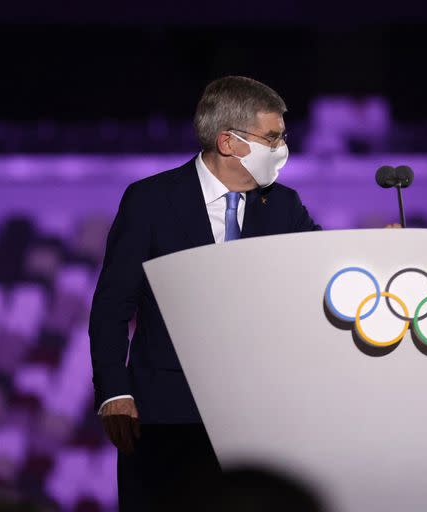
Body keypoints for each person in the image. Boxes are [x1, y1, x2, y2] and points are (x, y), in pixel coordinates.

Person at [88, 76, 321, 510]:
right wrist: (114, 392)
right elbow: (112, 305)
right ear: (229, 142)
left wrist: (375, 249)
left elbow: (323, 267)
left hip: (259, 421)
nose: (283, 147)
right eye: (273, 137)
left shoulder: (284, 205)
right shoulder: (151, 200)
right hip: (165, 419)